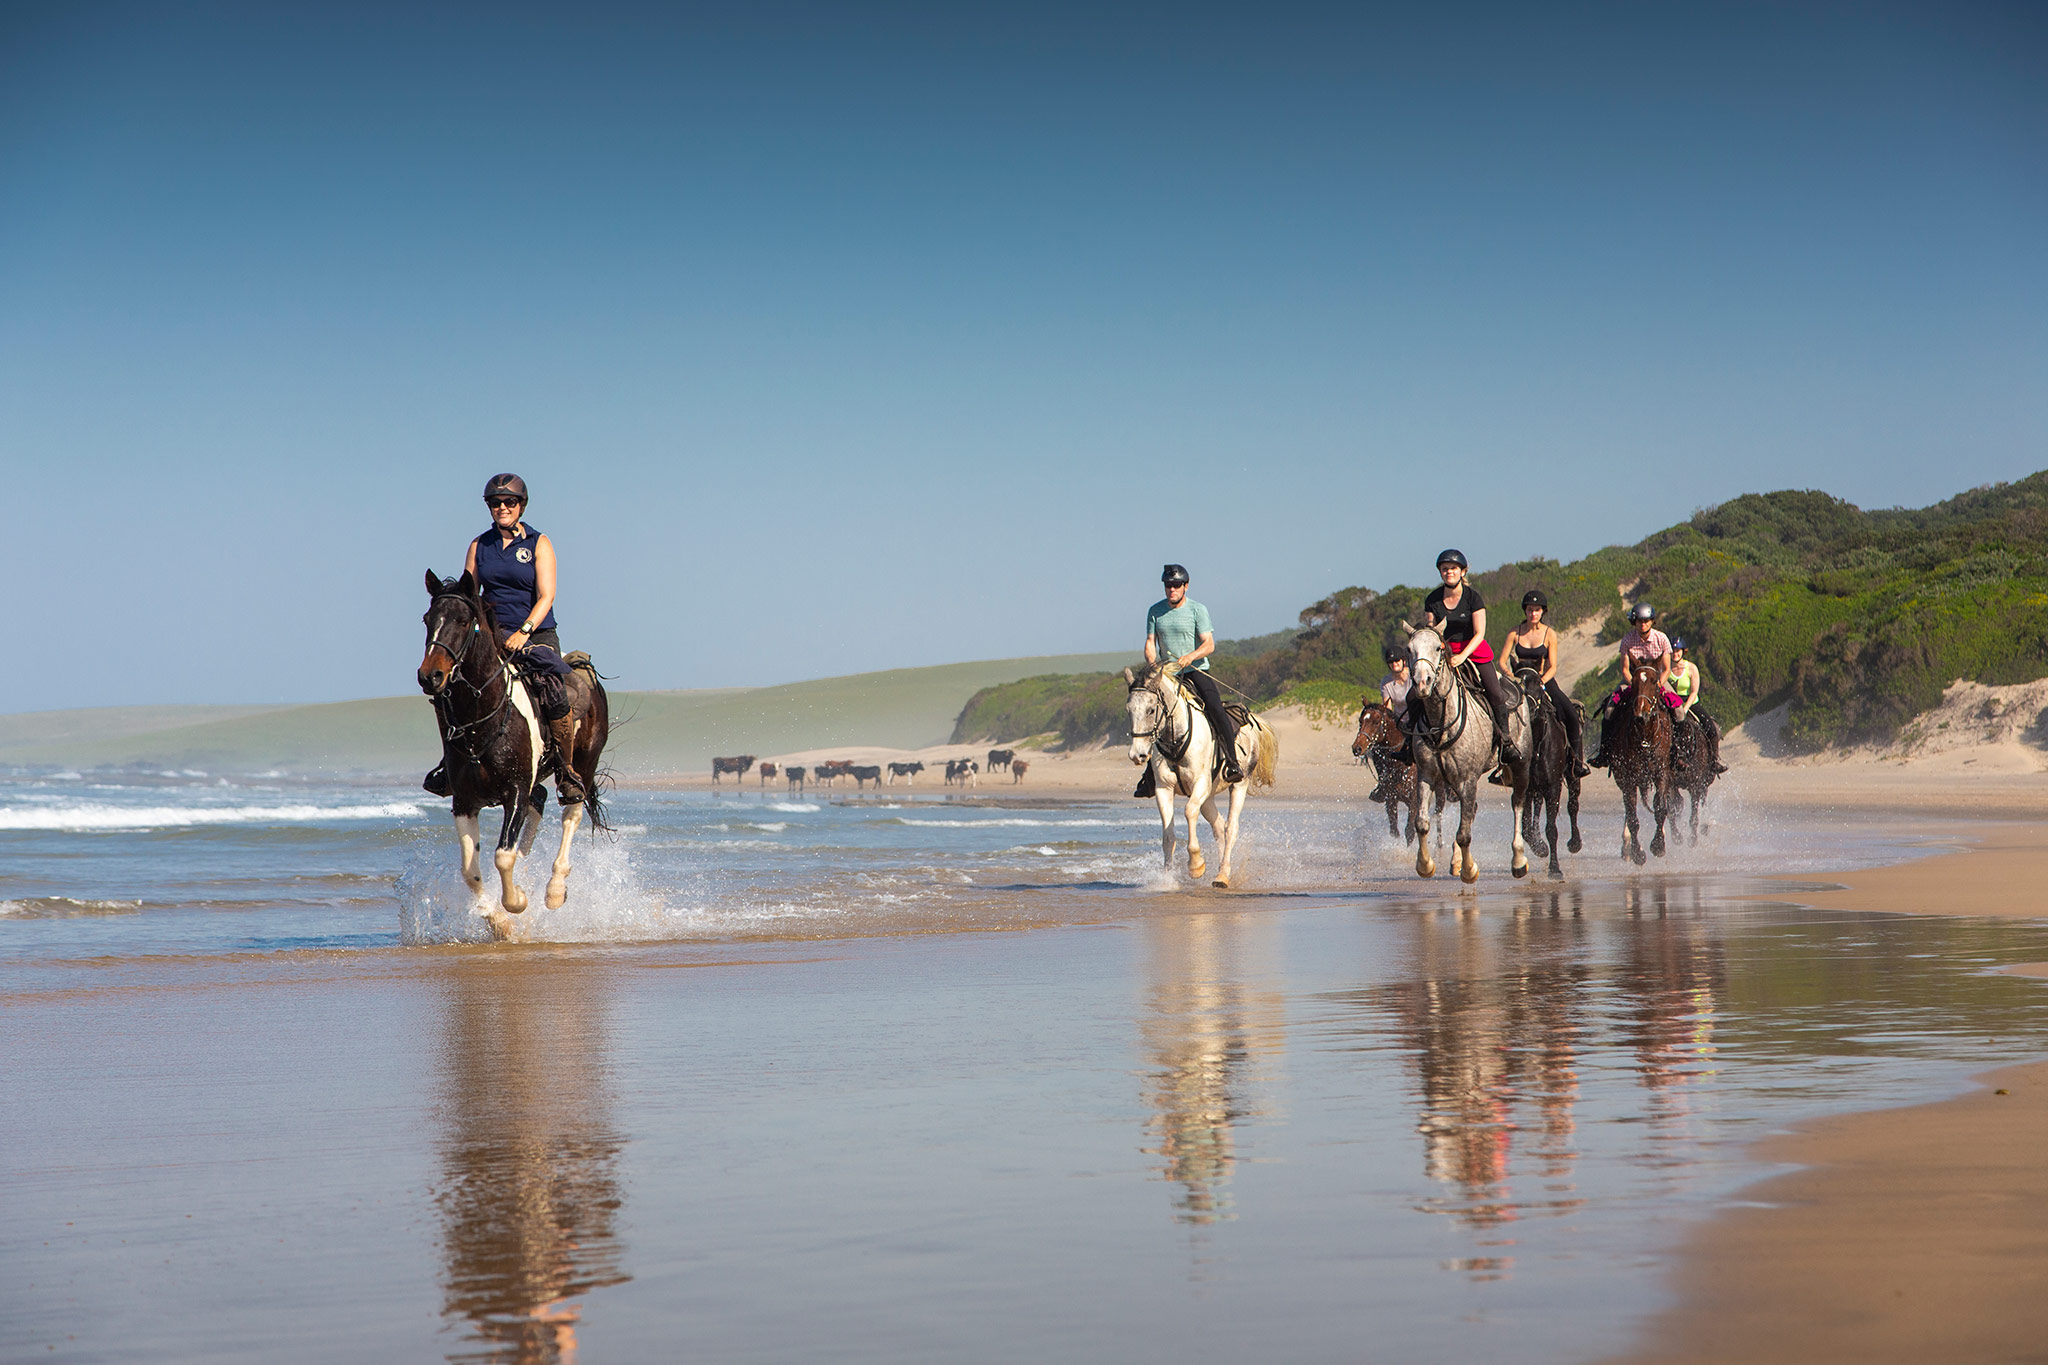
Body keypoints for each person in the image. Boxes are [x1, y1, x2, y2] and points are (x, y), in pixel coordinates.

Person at [423, 473, 582, 801]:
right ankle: (450, 764)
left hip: (535, 633)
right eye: (496, 503)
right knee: (449, 691)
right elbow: (470, 594)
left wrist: (525, 632)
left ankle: (565, 771)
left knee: (554, 691)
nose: (502, 507)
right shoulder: (479, 546)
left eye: (509, 502)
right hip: (493, 635)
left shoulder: (539, 543)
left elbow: (546, 595)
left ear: (521, 506)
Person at [1405, 549, 1522, 773]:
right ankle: (1408, 745)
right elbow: (1432, 630)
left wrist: (1462, 656)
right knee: (1414, 695)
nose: (1449, 572)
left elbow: (1479, 633)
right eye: (1445, 568)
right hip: (1444, 652)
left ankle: (1505, 742)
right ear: (1440, 572)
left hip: (1473, 650)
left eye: (1453, 568)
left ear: (1463, 571)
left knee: (1496, 694)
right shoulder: (1432, 599)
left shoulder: (1473, 597)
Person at [1136, 564, 1243, 798]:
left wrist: (1191, 657)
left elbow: (1209, 644)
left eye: (1176, 585)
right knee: (1153, 716)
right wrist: (1153, 665)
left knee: (1215, 708)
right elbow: (1150, 643)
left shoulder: (1198, 610)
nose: (1171, 589)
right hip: (1167, 674)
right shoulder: (1155, 611)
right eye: (1167, 585)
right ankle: (1149, 777)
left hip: (1195, 671)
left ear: (1186, 586)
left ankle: (1233, 762)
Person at [1502, 589, 1591, 777]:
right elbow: (1502, 661)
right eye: (1529, 610)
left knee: (1571, 715)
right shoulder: (1514, 632)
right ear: (1524, 611)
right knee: (1500, 714)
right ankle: (1502, 766)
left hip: (1543, 681)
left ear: (1543, 612)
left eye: (1537, 610)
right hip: (1520, 682)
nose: (1533, 613)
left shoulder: (1549, 634)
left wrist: (1541, 681)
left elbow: (1553, 666)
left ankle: (1576, 761)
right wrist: (1511, 676)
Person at [1587, 603, 1682, 769]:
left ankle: (1678, 753)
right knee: (1609, 710)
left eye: (1646, 620)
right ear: (1634, 622)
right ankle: (1605, 752)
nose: (1642, 624)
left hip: (1656, 681)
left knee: (1679, 712)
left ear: (1652, 621)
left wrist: (1658, 684)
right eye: (1639, 621)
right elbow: (1625, 669)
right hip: (1633, 680)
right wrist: (1636, 684)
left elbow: (1666, 669)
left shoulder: (1662, 639)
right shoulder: (1627, 640)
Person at [1668, 638, 1729, 774]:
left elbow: (1694, 691)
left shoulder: (1691, 668)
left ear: (1683, 651)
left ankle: (1714, 761)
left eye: (1677, 651)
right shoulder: (1666, 667)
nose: (1675, 654)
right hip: (1672, 702)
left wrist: (1685, 708)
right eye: (1672, 651)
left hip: (1691, 702)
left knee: (1711, 728)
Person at [1367, 646, 1414, 803]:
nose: (1394, 664)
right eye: (1391, 662)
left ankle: (1445, 779)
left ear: (1403, 661)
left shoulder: (1414, 676)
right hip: (1399, 721)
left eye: (1396, 661)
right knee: (1377, 748)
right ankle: (1383, 782)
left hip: (1417, 718)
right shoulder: (1386, 683)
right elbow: (1387, 708)